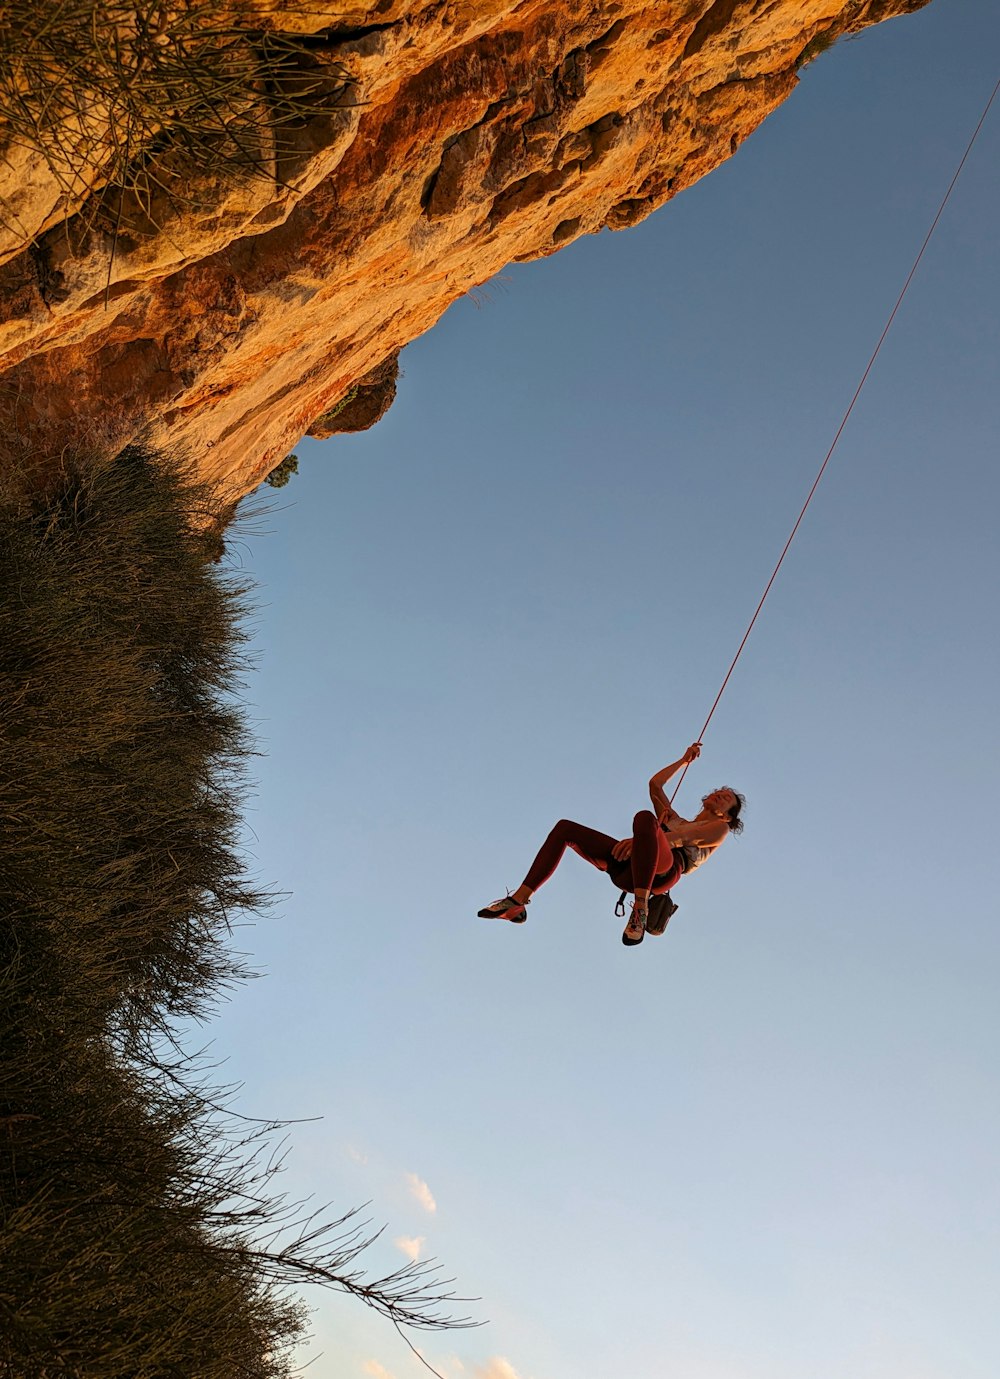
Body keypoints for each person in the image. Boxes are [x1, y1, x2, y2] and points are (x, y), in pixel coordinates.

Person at [477, 742, 744, 946]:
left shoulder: (718, 829)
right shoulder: (675, 818)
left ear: (727, 815)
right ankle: (518, 902)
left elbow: (680, 839)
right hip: (629, 870)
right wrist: (683, 761)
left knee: (644, 818)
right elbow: (655, 785)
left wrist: (643, 841)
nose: (720, 795)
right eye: (719, 792)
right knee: (565, 829)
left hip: (663, 874)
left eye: (726, 799)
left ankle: (640, 910)